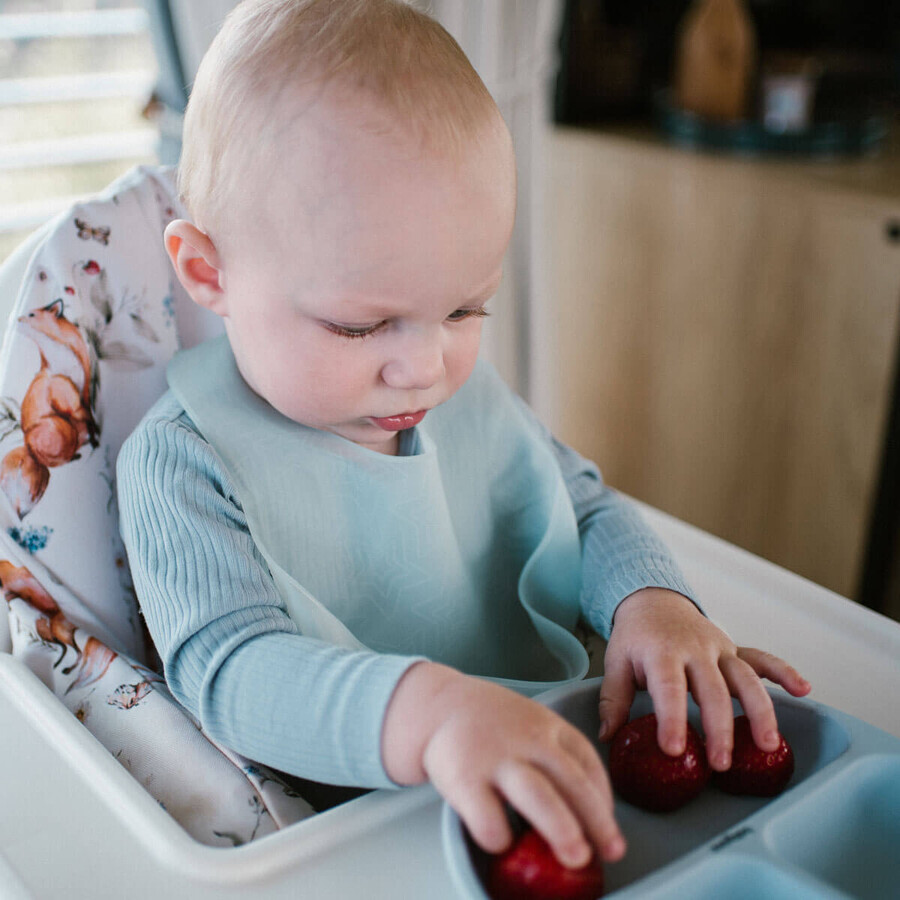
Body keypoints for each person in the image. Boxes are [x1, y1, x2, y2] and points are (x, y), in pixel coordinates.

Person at [117, 0, 810, 871]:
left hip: (572, 763)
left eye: (462, 308)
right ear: (208, 271)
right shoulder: (185, 463)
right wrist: (430, 715)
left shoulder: (459, 395)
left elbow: (583, 510)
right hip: (365, 838)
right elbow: (231, 672)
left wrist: (654, 606)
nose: (427, 368)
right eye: (361, 327)